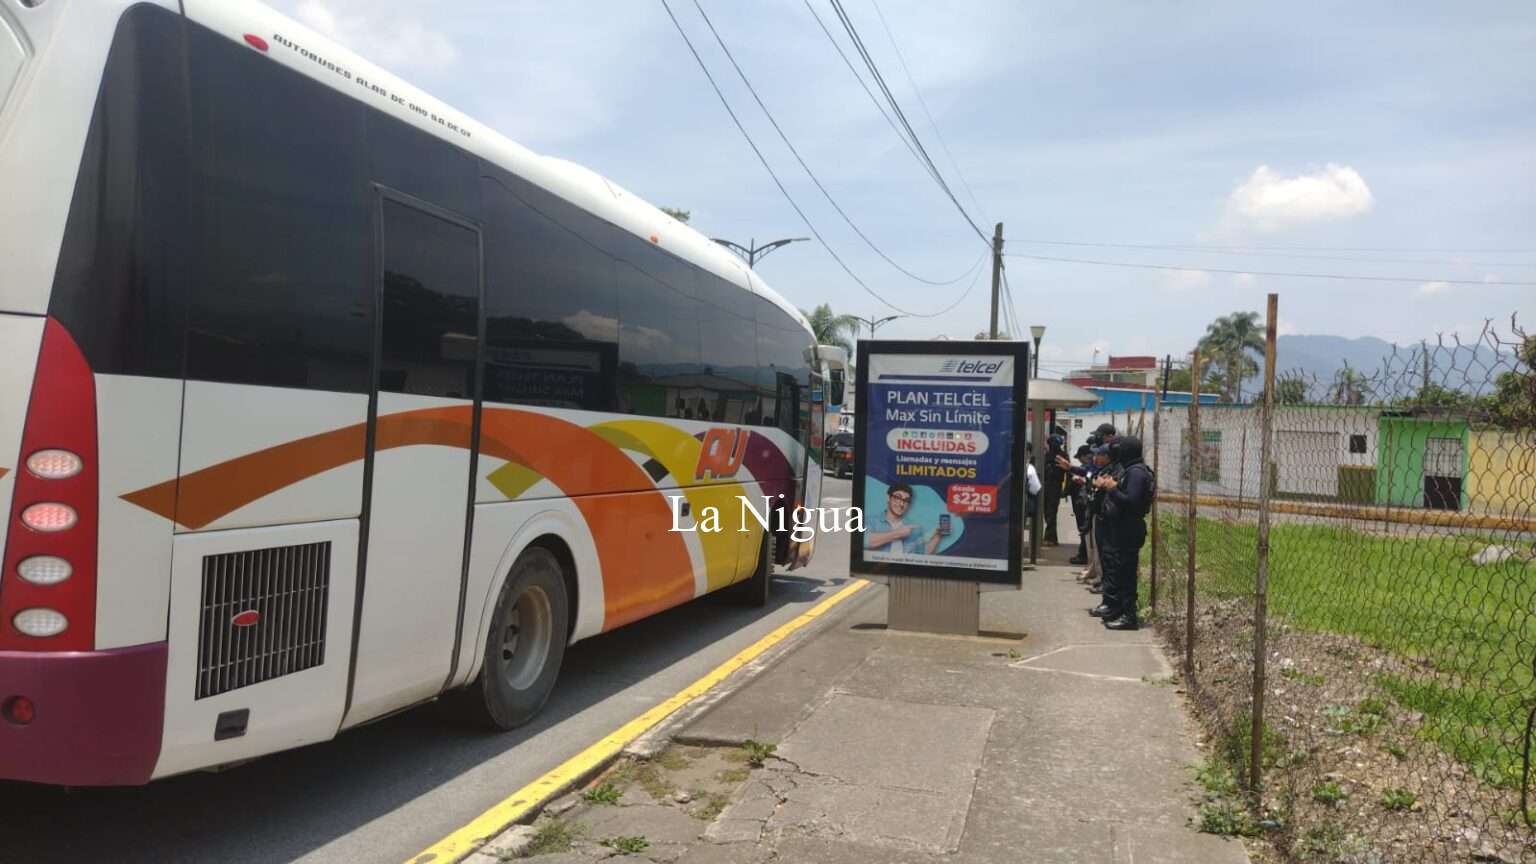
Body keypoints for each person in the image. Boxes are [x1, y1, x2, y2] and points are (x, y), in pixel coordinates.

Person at [1092, 436, 1154, 630]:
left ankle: (1129, 616)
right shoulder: (1131, 470)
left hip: (1129, 529)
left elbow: (1132, 502)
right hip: (1122, 528)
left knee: (1127, 574)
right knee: (1119, 570)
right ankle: (1119, 609)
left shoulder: (1136, 473)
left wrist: (1112, 489)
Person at [866, 482, 942, 556]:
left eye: (906, 500)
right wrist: (897, 533)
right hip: (879, 568)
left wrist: (938, 535)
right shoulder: (870, 521)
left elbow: (922, 554)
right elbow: (864, 542)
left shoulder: (915, 528)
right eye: (898, 498)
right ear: (888, 498)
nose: (902, 504)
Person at [1040, 427, 1067, 546]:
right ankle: (1051, 537)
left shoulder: (1063, 456)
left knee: (1051, 512)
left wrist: (1066, 490)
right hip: (1045, 485)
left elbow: (1068, 472)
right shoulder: (1045, 455)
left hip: (1055, 486)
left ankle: (1050, 538)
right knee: (1047, 512)